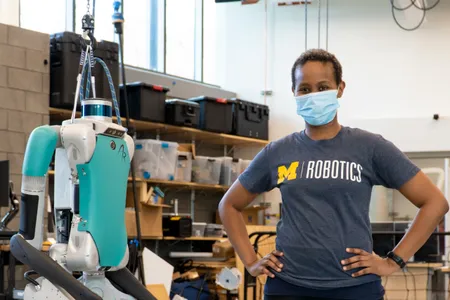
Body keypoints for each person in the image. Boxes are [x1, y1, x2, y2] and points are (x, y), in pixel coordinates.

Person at [218, 49, 449, 300]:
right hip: (287, 288)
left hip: (355, 288)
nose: (313, 95)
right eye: (304, 88)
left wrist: (393, 261)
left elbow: (435, 203)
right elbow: (229, 205)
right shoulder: (278, 152)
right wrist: (250, 262)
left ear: (340, 88)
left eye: (323, 86)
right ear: (294, 93)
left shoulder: (369, 147)